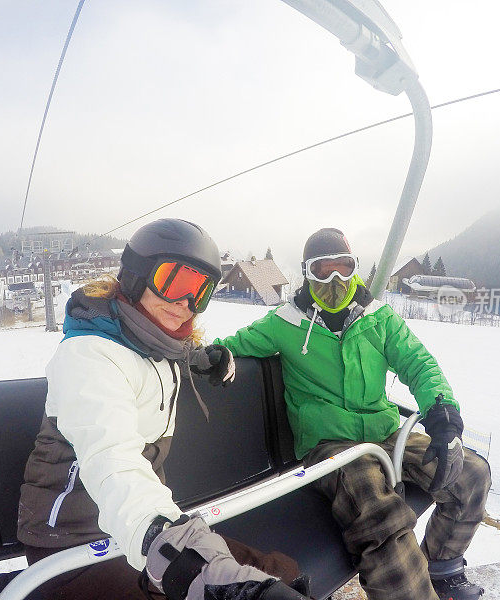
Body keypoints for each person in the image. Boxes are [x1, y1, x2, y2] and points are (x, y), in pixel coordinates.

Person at [18, 219, 308, 600]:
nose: (186, 303)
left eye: (200, 292)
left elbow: (172, 356)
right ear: (137, 275)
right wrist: (171, 545)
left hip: (141, 530)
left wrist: (207, 360)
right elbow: (113, 461)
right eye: (177, 282)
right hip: (76, 544)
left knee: (274, 576)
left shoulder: (158, 343)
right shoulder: (88, 356)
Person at [214, 228, 491, 600]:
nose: (335, 281)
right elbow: (231, 347)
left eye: (344, 269)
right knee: (379, 510)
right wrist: (216, 359)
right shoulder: (285, 323)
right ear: (307, 273)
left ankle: (441, 566)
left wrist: (442, 414)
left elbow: (417, 362)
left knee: (471, 473)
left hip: (383, 432)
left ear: (355, 269)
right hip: (329, 445)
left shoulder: (379, 319)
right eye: (322, 271)